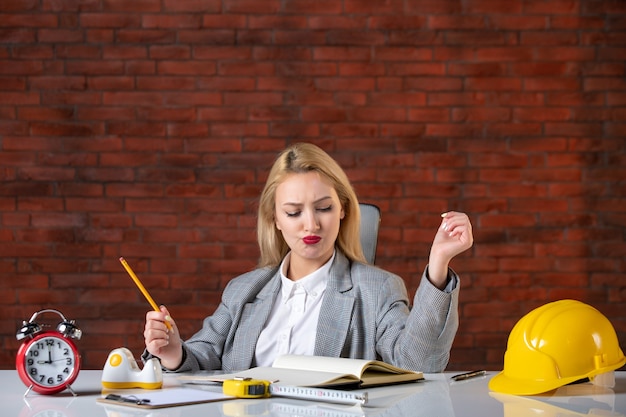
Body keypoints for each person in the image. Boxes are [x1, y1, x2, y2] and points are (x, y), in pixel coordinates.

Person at [143, 142, 473, 373]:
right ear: (275, 218)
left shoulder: (378, 288)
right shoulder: (243, 290)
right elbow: (204, 356)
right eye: (293, 212)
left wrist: (438, 266)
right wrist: (174, 353)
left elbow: (419, 363)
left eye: (324, 208)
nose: (311, 224)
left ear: (343, 209)